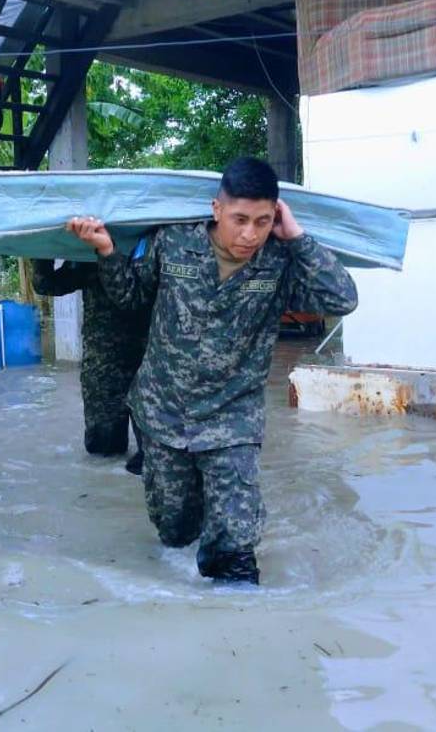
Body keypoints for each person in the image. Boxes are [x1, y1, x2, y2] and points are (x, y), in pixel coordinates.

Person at [67, 157, 358, 585]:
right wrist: (107, 251)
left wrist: (295, 237)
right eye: (239, 219)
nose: (249, 234)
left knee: (234, 549)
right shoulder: (174, 242)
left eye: (262, 221)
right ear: (216, 209)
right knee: (174, 531)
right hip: (162, 411)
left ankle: (241, 619)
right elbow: (130, 298)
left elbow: (342, 299)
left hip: (232, 418)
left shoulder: (278, 263)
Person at [31, 259, 151, 471]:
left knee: (156, 454)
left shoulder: (154, 249)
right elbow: (48, 284)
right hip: (103, 362)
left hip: (150, 357)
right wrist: (41, 255)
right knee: (103, 452)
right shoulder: (89, 257)